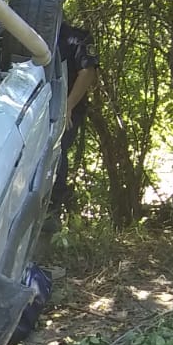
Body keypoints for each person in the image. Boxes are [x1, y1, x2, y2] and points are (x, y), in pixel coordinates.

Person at [51, 20, 99, 218]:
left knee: (56, 153)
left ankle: (52, 213)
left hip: (66, 109)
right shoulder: (22, 31)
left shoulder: (76, 37)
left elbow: (87, 72)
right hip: (30, 107)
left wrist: (67, 105)